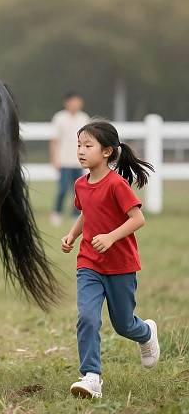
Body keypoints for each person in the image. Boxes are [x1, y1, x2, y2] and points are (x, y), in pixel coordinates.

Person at [61, 120, 159, 399]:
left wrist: (112, 237)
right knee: (87, 317)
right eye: (79, 145)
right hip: (89, 263)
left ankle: (145, 332)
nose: (80, 151)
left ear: (107, 152)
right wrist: (72, 235)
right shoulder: (80, 184)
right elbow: (86, 213)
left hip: (121, 266)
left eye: (87, 146)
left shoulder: (117, 184)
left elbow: (138, 219)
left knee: (123, 324)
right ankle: (91, 376)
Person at [50, 92, 89, 226]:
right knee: (62, 188)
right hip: (64, 160)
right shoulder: (59, 118)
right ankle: (57, 212)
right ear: (66, 103)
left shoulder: (84, 118)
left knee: (78, 190)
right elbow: (54, 140)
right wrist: (55, 158)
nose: (75, 104)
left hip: (79, 161)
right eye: (72, 101)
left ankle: (75, 214)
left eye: (77, 101)